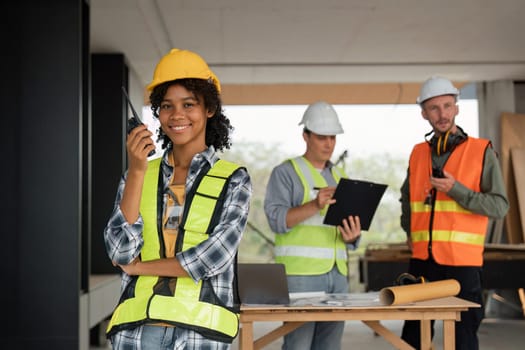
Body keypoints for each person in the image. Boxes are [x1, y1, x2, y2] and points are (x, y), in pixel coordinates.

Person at [103, 48, 252, 350]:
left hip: (200, 333)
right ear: (158, 113)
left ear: (209, 109)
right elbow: (120, 251)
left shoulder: (234, 179)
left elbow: (213, 258)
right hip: (137, 331)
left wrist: (139, 267)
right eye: (167, 106)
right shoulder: (139, 172)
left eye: (189, 104)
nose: (177, 115)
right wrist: (136, 171)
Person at [400, 76, 509, 349]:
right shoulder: (417, 153)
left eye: (447, 106)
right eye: (434, 108)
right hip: (423, 261)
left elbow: (499, 206)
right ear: (424, 113)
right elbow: (407, 199)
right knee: (413, 336)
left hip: (462, 265)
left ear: (457, 108)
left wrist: (456, 189)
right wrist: (409, 232)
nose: (442, 114)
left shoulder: (481, 151)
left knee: (463, 337)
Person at [264, 101, 361, 350]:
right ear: (305, 135)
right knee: (299, 346)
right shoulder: (285, 173)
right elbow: (277, 221)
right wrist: (314, 205)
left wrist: (352, 237)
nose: (329, 143)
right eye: (321, 137)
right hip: (301, 277)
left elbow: (348, 232)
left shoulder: (340, 178)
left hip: (337, 276)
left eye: (332, 137)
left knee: (330, 347)